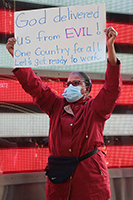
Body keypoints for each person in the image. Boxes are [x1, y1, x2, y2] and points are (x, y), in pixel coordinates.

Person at [6, 27, 122, 200]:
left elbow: (112, 89)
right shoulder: (56, 105)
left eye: (75, 83)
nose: (69, 87)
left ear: (87, 89)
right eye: (67, 83)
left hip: (89, 181)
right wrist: (17, 55)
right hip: (59, 178)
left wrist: (110, 47)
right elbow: (35, 86)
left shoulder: (96, 108)